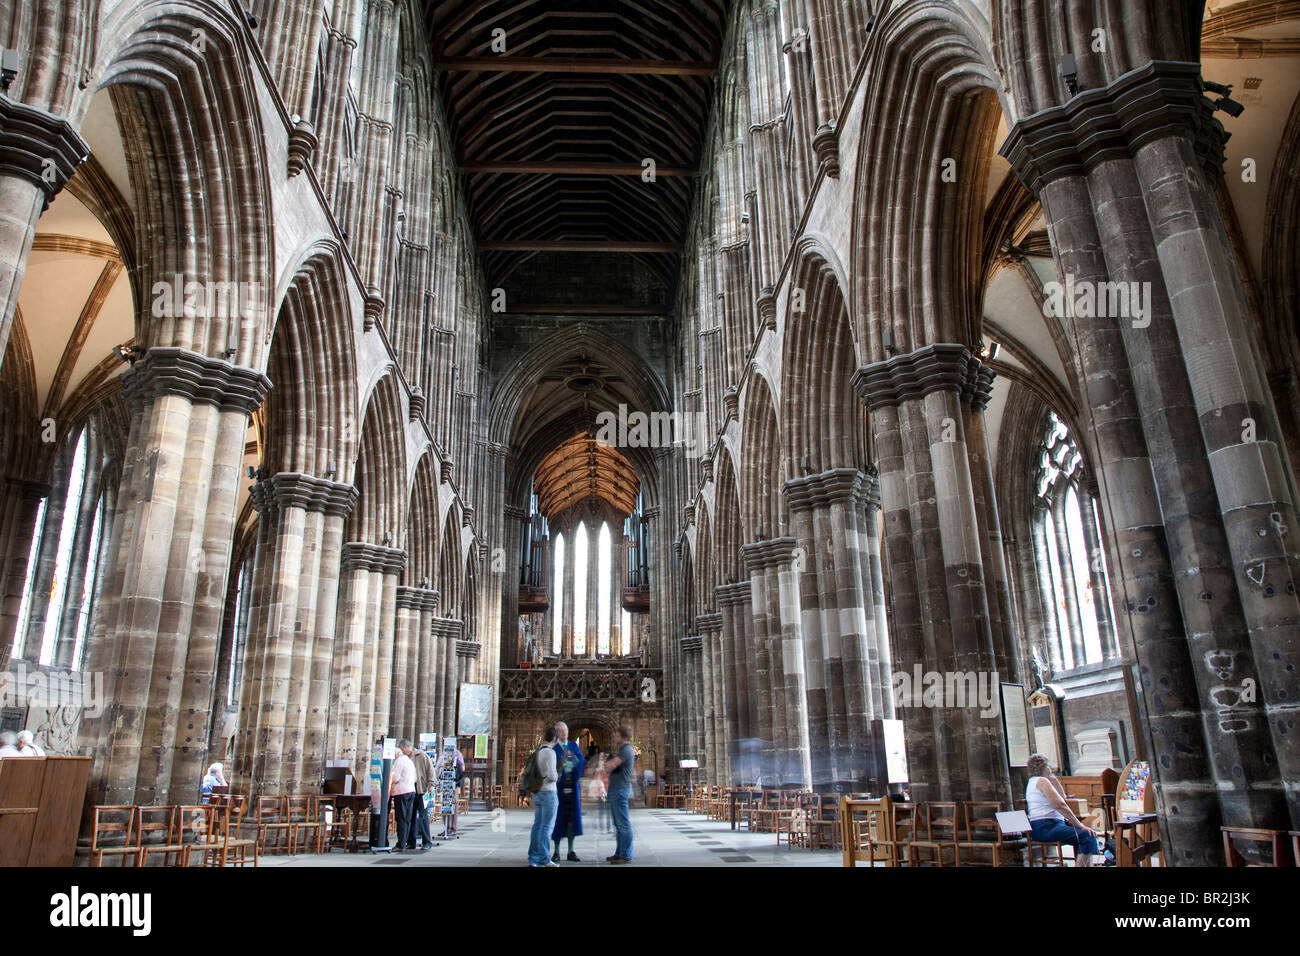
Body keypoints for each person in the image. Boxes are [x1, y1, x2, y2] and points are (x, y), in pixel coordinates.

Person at [1025, 753, 1102, 866]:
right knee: (1087, 836)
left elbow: (1063, 798)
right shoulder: (1042, 781)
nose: (1050, 769)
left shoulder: (1033, 781)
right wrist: (1080, 825)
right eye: (1048, 766)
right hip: (1046, 827)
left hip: (1045, 827)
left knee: (1083, 837)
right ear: (1043, 767)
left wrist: (1054, 779)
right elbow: (1060, 805)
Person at [551, 721, 585, 862]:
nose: (565, 733)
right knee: (558, 819)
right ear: (557, 733)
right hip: (559, 788)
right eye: (561, 731)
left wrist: (575, 760)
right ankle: (556, 851)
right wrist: (561, 764)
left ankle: (571, 850)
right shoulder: (554, 749)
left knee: (572, 819)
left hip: (572, 787)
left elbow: (582, 760)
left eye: (566, 731)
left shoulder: (573, 745)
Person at [603, 726, 635, 864]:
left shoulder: (626, 751)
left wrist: (607, 763)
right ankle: (619, 852)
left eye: (616, 735)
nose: (614, 737)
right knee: (618, 823)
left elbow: (609, 766)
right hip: (616, 788)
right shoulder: (622, 751)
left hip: (620, 789)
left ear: (623, 737)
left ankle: (626, 854)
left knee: (623, 824)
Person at [528, 726, 559, 867]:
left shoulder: (537, 751)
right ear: (555, 738)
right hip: (549, 792)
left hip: (537, 791)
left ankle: (533, 858)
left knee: (537, 826)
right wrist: (558, 774)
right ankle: (544, 858)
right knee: (547, 826)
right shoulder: (550, 753)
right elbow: (552, 776)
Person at [391, 739, 419, 851]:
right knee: (407, 818)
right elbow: (415, 778)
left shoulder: (399, 762)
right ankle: (405, 841)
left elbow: (396, 778)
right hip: (411, 791)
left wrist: (390, 777)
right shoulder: (409, 761)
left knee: (401, 818)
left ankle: (400, 844)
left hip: (402, 792)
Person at [412, 744, 435, 849]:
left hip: (422, 789)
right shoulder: (405, 757)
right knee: (411, 817)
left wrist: (431, 784)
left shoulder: (422, 756)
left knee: (423, 817)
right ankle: (411, 842)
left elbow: (430, 771)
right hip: (410, 790)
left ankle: (427, 842)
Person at [584, 754, 609, 833]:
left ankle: (609, 827)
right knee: (601, 811)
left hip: (607, 789)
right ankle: (602, 827)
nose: (603, 760)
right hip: (601, 790)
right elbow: (595, 776)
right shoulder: (598, 769)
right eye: (601, 758)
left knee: (608, 812)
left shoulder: (608, 767)